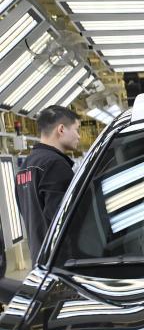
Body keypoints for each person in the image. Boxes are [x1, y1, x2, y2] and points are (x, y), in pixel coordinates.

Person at [15, 105, 81, 263]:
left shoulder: (24, 167)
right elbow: (64, 219)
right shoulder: (55, 164)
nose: (79, 136)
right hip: (62, 261)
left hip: (39, 259)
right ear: (61, 129)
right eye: (76, 129)